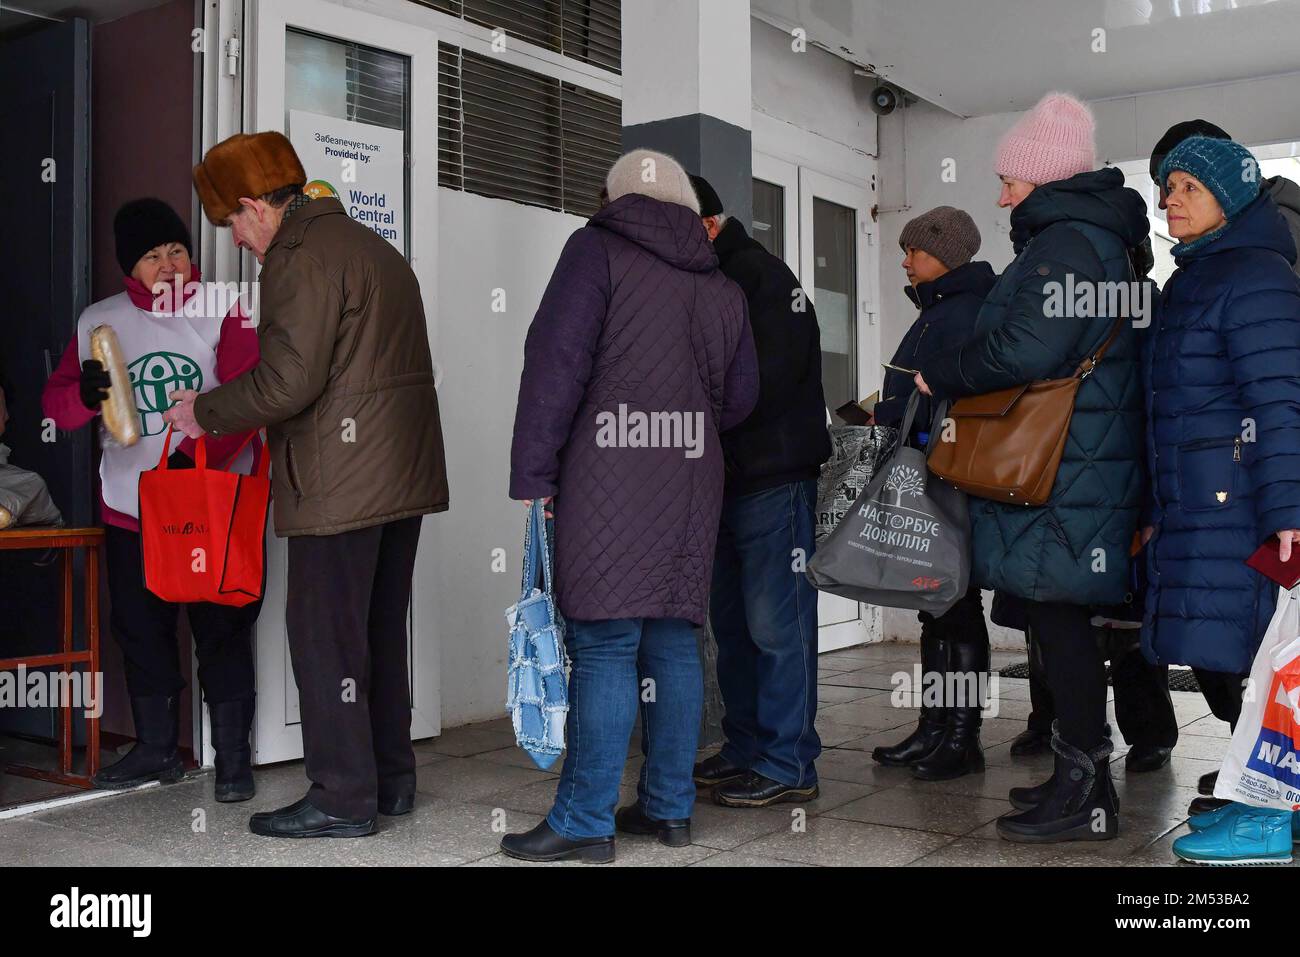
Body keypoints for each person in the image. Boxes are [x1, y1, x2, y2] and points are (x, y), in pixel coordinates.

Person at [165, 131, 449, 838]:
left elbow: (288, 382)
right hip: (399, 475)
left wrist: (202, 411)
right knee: (378, 630)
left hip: (339, 481)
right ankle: (391, 779)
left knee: (325, 636)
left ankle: (344, 796)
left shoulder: (297, 259)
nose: (235, 236)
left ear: (260, 206)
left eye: (233, 218)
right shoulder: (370, 246)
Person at [502, 150, 758, 863]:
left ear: (614, 197)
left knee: (606, 642)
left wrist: (534, 471)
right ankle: (669, 808)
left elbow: (554, 362)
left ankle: (584, 820)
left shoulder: (595, 251)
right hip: (690, 478)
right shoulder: (720, 283)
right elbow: (739, 399)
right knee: (673, 639)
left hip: (607, 471)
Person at [915, 92, 1148, 842]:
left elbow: (1027, 349)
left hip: (1066, 464)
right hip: (1079, 458)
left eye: (1011, 180)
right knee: (1059, 617)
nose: (1002, 193)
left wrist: (943, 369)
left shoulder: (1069, 243)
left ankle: (1088, 794)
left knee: (1060, 617)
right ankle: (1074, 776)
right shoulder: (1082, 238)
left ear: (1044, 179)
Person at [41, 198, 262, 802]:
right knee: (140, 627)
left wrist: (201, 455)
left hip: (212, 499)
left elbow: (252, 393)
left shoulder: (225, 308)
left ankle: (234, 761)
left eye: (177, 251)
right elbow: (57, 407)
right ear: (127, 267)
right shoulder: (98, 322)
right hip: (132, 503)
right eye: (152, 256)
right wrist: (85, 395)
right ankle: (158, 749)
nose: (169, 265)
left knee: (222, 625)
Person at [1136, 135, 1300, 865]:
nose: (1169, 198)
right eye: (1168, 187)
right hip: (1205, 501)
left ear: (1228, 200)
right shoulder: (1201, 275)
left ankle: (1273, 818)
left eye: (1186, 188)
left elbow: (1281, 400)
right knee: (1241, 657)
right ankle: (1250, 800)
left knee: (1269, 663)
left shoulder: (1256, 278)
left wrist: (1290, 507)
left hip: (1247, 507)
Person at [684, 175, 830, 807]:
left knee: (778, 624)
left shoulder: (761, 279)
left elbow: (759, 383)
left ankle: (789, 760)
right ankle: (746, 747)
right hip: (723, 479)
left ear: (709, 225)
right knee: (734, 624)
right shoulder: (712, 278)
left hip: (771, 477)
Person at [870, 206, 996, 780]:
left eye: (914, 252)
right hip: (924, 468)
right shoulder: (941, 309)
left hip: (942, 473)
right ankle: (934, 729)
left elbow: (951, 399)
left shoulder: (962, 312)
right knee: (934, 605)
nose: (906, 261)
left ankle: (961, 738)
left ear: (942, 256)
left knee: (954, 605)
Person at [1150, 119, 1300, 276]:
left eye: (1189, 186)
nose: (1163, 202)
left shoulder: (1271, 232)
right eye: (1169, 187)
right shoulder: (1247, 227)